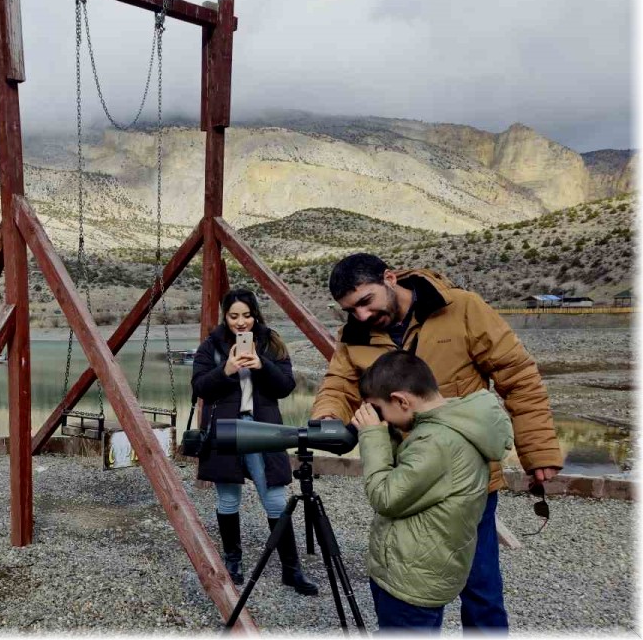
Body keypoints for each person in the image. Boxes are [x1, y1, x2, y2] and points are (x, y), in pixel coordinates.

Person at [311, 253, 563, 630]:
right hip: (408, 480)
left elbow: (518, 378)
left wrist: (538, 450)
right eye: (350, 310)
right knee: (412, 582)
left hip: (469, 483)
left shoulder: (463, 308)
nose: (361, 316)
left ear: (390, 278)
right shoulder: (355, 334)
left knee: (481, 589)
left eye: (366, 302)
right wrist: (328, 416)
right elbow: (339, 385)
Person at [353, 350, 513, 633]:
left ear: (402, 400)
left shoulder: (437, 442)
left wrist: (372, 435)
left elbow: (385, 497)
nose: (380, 418)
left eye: (378, 408)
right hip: (423, 567)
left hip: (412, 580)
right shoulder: (453, 423)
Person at [191, 287, 317, 595]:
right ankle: (233, 561)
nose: (241, 322)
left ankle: (291, 570)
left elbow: (285, 386)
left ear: (255, 314)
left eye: (246, 315)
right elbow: (200, 388)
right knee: (228, 499)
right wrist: (227, 369)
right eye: (233, 316)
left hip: (263, 428)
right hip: (226, 429)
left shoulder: (271, 343)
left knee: (274, 498)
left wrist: (263, 365)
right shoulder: (211, 346)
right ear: (225, 316)